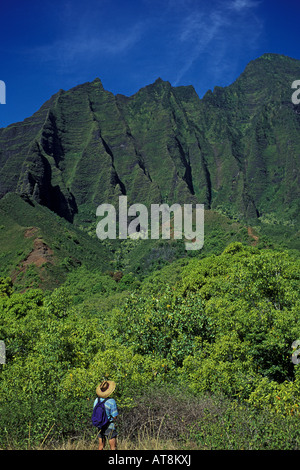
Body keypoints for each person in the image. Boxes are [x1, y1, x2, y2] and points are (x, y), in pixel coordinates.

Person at [93, 380, 119, 450]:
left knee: (101, 447)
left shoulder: (96, 400)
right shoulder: (111, 401)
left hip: (100, 425)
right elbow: (114, 416)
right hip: (109, 425)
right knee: (113, 447)